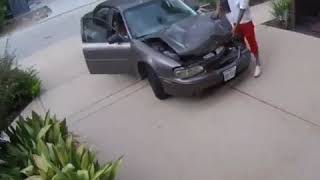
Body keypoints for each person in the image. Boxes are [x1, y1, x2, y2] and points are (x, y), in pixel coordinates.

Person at [217, 0, 262, 77]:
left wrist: (235, 26)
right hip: (235, 23)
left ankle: (258, 64)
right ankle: (246, 58)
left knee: (252, 43)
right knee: (241, 42)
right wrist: (218, 10)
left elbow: (242, 10)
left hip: (246, 22)